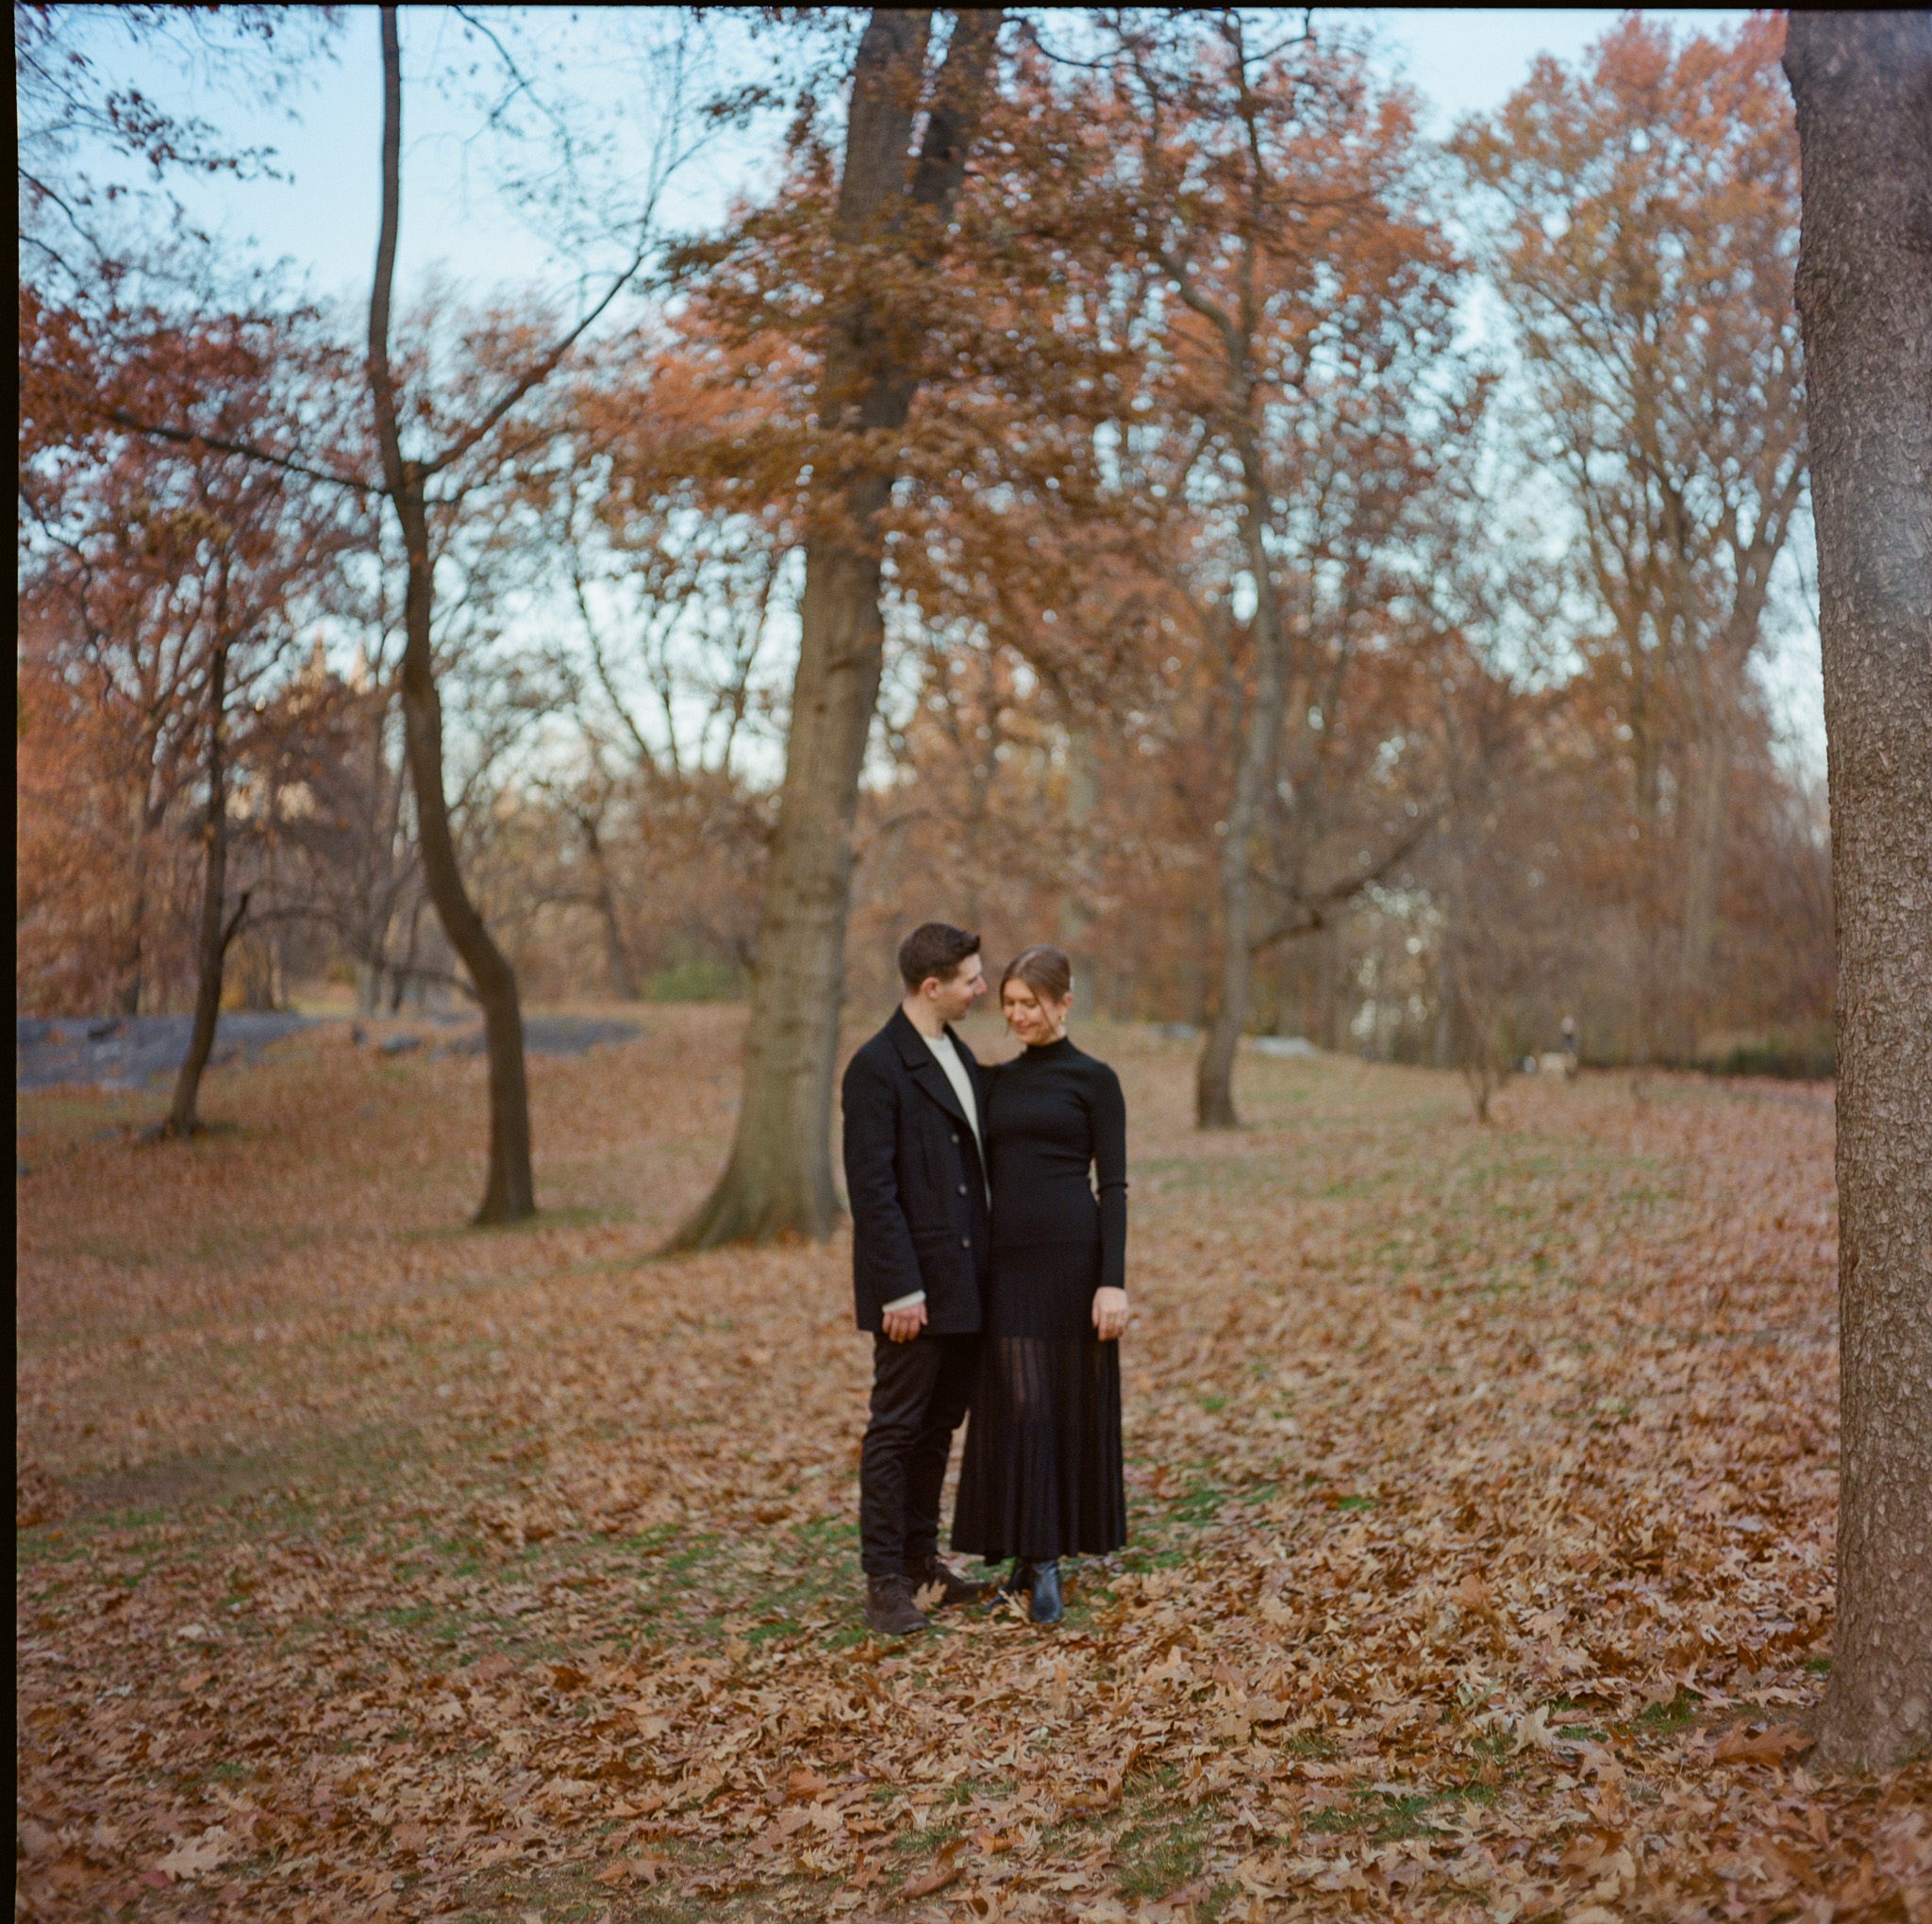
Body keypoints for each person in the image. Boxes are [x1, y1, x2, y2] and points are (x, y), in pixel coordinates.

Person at [952, 944, 1129, 1625]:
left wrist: (1112, 1283)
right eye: (1010, 1005)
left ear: (1064, 1002)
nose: (1019, 1015)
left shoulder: (1096, 1080)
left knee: (1058, 1402)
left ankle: (1045, 1559)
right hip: (1007, 1264)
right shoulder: (995, 1082)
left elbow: (1112, 1187)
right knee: (1020, 1405)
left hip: (1074, 1260)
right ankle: (1030, 1556)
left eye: (1031, 1003)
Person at [841, 922, 998, 1636]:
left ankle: (919, 1560)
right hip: (914, 1290)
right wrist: (899, 1289)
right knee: (897, 1430)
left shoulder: (955, 1052)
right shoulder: (876, 1067)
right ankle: (884, 1582)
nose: (983, 987)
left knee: (938, 1427)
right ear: (932, 987)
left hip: (965, 1280)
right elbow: (872, 1190)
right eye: (971, 978)